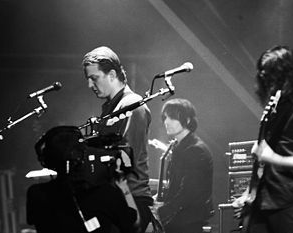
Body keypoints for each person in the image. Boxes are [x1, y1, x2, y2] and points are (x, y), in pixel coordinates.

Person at [232, 45, 293, 233]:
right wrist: (249, 195)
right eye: (264, 76)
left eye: (272, 76)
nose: (268, 82)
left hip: (290, 204)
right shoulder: (276, 109)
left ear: (287, 74)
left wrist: (274, 157)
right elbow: (263, 166)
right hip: (261, 205)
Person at [82, 46, 153, 233]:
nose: (90, 85)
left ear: (112, 74)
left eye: (94, 78)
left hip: (131, 202)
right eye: (88, 79)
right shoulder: (111, 109)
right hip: (117, 200)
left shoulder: (132, 106)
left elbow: (125, 160)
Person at [156, 98, 214, 233]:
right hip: (177, 220)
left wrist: (162, 211)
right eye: (165, 117)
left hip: (187, 222)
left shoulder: (195, 150)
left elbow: (189, 192)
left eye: (172, 117)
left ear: (187, 120)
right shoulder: (179, 146)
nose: (166, 122)